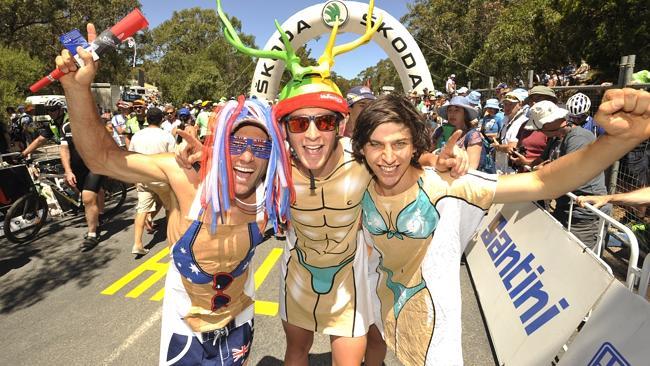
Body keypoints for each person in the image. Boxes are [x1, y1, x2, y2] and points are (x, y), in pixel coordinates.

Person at [215, 1, 468, 364]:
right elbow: (232, 169)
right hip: (298, 272)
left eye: (325, 122)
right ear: (285, 128)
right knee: (296, 350)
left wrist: (433, 159)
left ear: (341, 124)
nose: (314, 134)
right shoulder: (276, 166)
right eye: (300, 123)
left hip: (349, 279)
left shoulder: (361, 159)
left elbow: (399, 159)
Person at [351, 89, 650, 365]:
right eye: (376, 145)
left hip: (431, 330)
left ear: (415, 145)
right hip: (378, 301)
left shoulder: (445, 186)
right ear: (362, 148)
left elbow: (542, 182)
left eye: (399, 144)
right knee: (374, 340)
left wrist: (618, 140)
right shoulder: (356, 183)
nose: (387, 158)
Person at [54, 23, 293, 365]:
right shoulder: (184, 177)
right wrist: (78, 91)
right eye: (236, 142)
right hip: (185, 330)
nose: (246, 156)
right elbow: (101, 158)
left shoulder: (274, 190)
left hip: (239, 321)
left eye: (259, 146)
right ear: (220, 142)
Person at [529, 100, 610, 250]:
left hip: (584, 213)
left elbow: (568, 173)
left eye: (540, 129)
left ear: (547, 126)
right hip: (568, 207)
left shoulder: (579, 138)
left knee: (582, 260)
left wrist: (542, 172)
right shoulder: (558, 139)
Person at [128, 107, 176, 255]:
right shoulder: (166, 136)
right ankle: (172, 242)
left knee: (141, 210)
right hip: (161, 178)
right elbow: (173, 158)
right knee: (171, 208)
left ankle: (137, 243)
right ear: (161, 119)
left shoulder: (137, 136)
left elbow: (132, 156)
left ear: (147, 118)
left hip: (143, 178)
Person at [59, 108, 107, 250]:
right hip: (77, 169)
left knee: (87, 198)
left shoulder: (95, 125)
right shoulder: (66, 127)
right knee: (92, 195)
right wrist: (68, 171)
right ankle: (98, 215)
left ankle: (92, 234)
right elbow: (64, 150)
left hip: (95, 167)